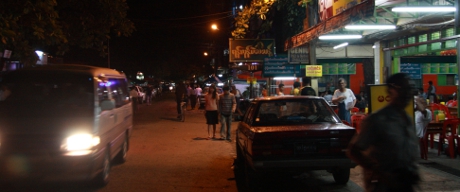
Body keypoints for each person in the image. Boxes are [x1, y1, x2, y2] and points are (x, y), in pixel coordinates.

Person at [347, 73, 421, 192]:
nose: (408, 94)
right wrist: (379, 172)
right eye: (404, 89)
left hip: (407, 184)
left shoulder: (407, 119)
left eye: (411, 89)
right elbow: (354, 150)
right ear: (391, 91)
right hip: (384, 186)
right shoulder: (377, 119)